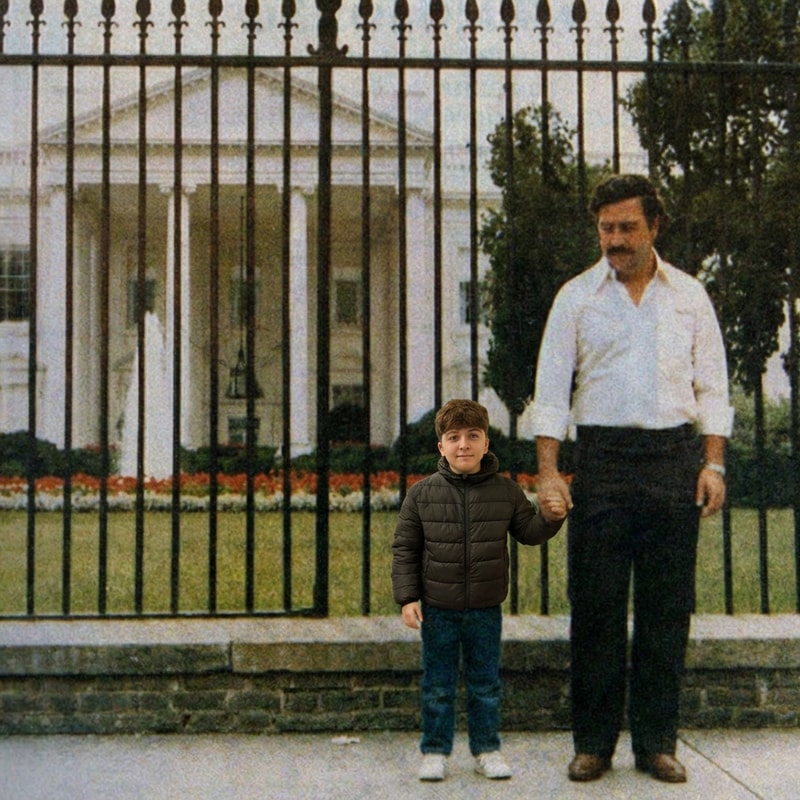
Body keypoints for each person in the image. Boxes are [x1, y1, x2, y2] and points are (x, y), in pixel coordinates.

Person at [531, 174, 733, 784]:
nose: (615, 240)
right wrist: (548, 473)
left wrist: (713, 463)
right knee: (594, 605)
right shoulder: (575, 298)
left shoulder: (690, 297)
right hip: (603, 462)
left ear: (654, 228)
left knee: (666, 608)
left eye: (626, 228)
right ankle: (592, 743)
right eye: (606, 228)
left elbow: (713, 387)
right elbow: (550, 391)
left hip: (674, 461)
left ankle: (656, 744)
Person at [391, 398, 567, 782]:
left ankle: (487, 748)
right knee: (437, 684)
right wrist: (407, 597)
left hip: (486, 609)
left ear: (487, 444)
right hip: (438, 609)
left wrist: (550, 519)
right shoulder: (422, 495)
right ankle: (435, 750)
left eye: (473, 436)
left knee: (485, 684)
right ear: (441, 446)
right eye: (453, 437)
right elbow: (406, 548)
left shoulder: (504, 493)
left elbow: (529, 532)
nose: (463, 445)